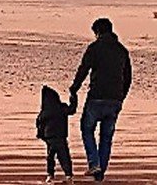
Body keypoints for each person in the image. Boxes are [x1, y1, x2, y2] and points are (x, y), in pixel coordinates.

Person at [69, 18, 132, 182]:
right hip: (115, 100)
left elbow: (83, 69)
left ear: (98, 32)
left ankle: (94, 163)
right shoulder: (122, 51)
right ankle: (99, 173)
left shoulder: (95, 48)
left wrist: (74, 88)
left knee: (87, 128)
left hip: (97, 96)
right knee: (106, 137)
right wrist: (121, 96)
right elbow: (128, 78)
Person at [36, 85, 77, 184]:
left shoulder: (44, 112)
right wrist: (74, 98)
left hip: (50, 138)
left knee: (50, 157)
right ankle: (68, 175)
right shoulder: (61, 107)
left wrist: (41, 135)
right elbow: (72, 110)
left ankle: (50, 175)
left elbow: (39, 124)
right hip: (60, 136)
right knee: (64, 156)